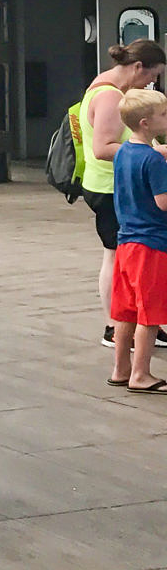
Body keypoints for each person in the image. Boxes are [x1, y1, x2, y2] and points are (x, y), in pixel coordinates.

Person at [77, 39, 167, 348]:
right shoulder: (109, 96)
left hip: (114, 184)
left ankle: (136, 323)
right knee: (118, 257)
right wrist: (153, 153)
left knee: (119, 257)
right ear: (137, 67)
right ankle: (116, 326)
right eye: (151, 76)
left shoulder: (107, 87)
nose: (151, 84)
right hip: (110, 186)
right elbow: (104, 147)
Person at [108, 85, 167, 390]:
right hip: (153, 243)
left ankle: (121, 368)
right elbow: (163, 203)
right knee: (151, 313)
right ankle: (141, 374)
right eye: (164, 114)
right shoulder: (154, 161)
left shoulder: (123, 153)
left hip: (126, 240)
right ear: (146, 123)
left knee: (126, 309)